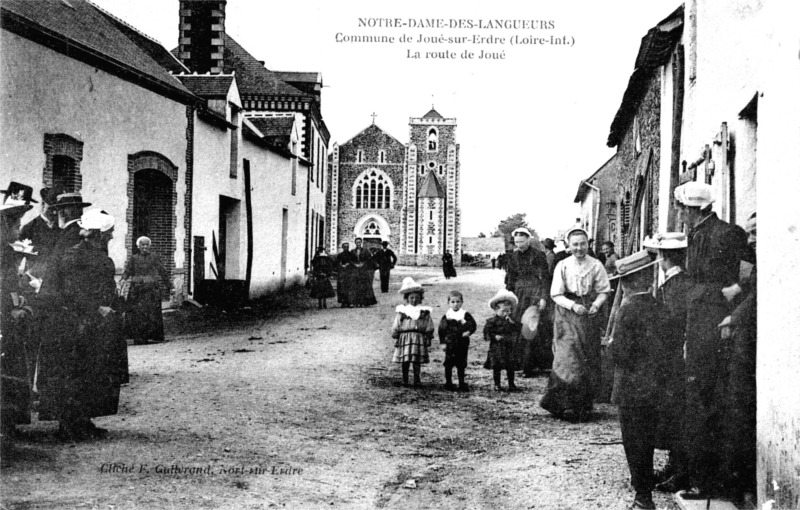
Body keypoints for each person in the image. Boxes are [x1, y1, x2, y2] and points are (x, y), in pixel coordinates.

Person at [673, 181, 747, 497]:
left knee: (709, 397)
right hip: (700, 319)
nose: (680, 213)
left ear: (696, 209)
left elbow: (746, 274)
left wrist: (731, 292)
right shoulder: (697, 234)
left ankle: (712, 481)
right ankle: (697, 475)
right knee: (699, 395)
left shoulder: (728, 233)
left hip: (717, 324)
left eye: (684, 208)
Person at [37, 209, 126, 440]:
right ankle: (68, 426)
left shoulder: (95, 255)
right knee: (73, 373)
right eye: (110, 233)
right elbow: (71, 291)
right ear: (99, 234)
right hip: (73, 323)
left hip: (91, 323)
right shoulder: (74, 256)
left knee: (91, 372)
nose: (112, 237)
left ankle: (84, 420)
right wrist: (97, 308)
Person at [609, 250, 668, 510]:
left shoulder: (628, 310)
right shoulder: (661, 306)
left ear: (625, 283)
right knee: (649, 437)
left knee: (635, 442)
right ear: (648, 279)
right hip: (657, 384)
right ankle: (645, 486)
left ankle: (643, 497)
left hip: (632, 388)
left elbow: (620, 353)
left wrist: (610, 346)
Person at [540, 227, 611, 419]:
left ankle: (581, 405)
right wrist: (572, 306)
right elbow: (555, 294)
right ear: (568, 246)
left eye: (583, 244)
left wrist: (596, 304)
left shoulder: (596, 265)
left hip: (587, 314)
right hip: (566, 314)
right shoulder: (563, 265)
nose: (579, 248)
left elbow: (605, 289)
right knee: (567, 355)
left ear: (588, 244)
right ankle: (563, 404)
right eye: (575, 244)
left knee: (586, 355)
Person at [643, 233, 692, 493]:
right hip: (671, 357)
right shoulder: (673, 283)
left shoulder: (677, 285)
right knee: (671, 415)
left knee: (677, 416)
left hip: (675, 358)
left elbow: (672, 324)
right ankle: (674, 466)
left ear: (663, 258)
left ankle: (682, 472)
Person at [718, 212, 757, 504]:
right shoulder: (749, 263)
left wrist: (734, 316)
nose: (753, 239)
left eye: (758, 233)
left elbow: (757, 296)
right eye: (751, 233)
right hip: (743, 341)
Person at [0, 182, 37, 439]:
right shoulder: (4, 248)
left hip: (11, 311)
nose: (18, 228)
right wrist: (14, 306)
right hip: (5, 315)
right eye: (15, 222)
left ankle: (12, 419)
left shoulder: (10, 245)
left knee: (14, 365)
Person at [504, 227, 551, 376]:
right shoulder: (512, 257)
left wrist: (543, 297)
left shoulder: (538, 255)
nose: (519, 244)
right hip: (519, 294)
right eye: (516, 242)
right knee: (517, 326)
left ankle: (530, 366)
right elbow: (510, 278)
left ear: (528, 240)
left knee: (532, 327)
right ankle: (519, 363)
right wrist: (508, 297)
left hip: (534, 293)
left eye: (522, 241)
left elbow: (545, 278)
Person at [122, 236, 172, 344]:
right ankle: (139, 338)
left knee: (151, 312)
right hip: (136, 290)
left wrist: (170, 286)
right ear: (138, 246)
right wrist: (122, 280)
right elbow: (128, 271)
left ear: (150, 246)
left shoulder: (154, 257)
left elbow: (162, 271)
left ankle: (153, 336)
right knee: (137, 313)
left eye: (147, 245)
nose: (144, 247)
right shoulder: (134, 258)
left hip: (151, 289)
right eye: (142, 245)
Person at [391, 277, 434, 387]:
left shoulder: (424, 312)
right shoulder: (402, 311)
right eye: (411, 298)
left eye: (416, 298)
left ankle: (417, 379)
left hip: (418, 337)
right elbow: (397, 324)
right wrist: (396, 336)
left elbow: (429, 324)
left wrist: (428, 337)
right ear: (407, 298)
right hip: (405, 337)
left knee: (416, 360)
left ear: (420, 299)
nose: (414, 300)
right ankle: (405, 379)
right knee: (405, 359)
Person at [18, 187, 61, 282]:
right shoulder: (29, 228)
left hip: (56, 279)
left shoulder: (61, 228)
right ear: (42, 205)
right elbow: (17, 257)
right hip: (35, 279)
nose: (54, 212)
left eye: (57, 209)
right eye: (51, 208)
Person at [483, 289, 522, 392]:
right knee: (497, 366)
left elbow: (519, 329)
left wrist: (513, 323)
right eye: (503, 311)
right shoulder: (492, 321)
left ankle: (511, 383)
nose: (506, 313)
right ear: (496, 310)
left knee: (510, 366)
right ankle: (497, 384)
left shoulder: (511, 320)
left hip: (509, 346)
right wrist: (494, 336)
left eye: (508, 311)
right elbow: (486, 332)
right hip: (497, 348)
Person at [438, 290, 477, 392]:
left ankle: (461, 382)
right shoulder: (447, 316)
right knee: (449, 363)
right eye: (453, 302)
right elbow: (441, 330)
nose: (455, 304)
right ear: (449, 303)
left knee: (461, 363)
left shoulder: (465, 314)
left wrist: (468, 332)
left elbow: (473, 325)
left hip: (462, 343)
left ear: (462, 302)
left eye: (458, 302)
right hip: (450, 343)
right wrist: (442, 342)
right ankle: (448, 383)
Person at [349, 238, 377, 307]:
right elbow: (350, 260)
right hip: (355, 271)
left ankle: (363, 302)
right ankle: (356, 302)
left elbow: (369, 260)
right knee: (355, 286)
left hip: (363, 271)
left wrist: (363, 264)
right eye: (357, 242)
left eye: (359, 242)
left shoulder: (365, 251)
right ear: (355, 243)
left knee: (363, 286)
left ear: (361, 243)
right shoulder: (352, 251)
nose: (358, 244)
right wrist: (355, 264)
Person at [335, 242, 356, 307]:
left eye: (347, 247)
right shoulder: (340, 255)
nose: (346, 248)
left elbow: (354, 262)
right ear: (343, 247)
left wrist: (349, 264)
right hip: (342, 273)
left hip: (349, 273)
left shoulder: (351, 254)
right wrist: (341, 265)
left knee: (349, 288)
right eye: (345, 247)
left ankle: (349, 302)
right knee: (342, 288)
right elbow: (336, 263)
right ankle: (343, 302)